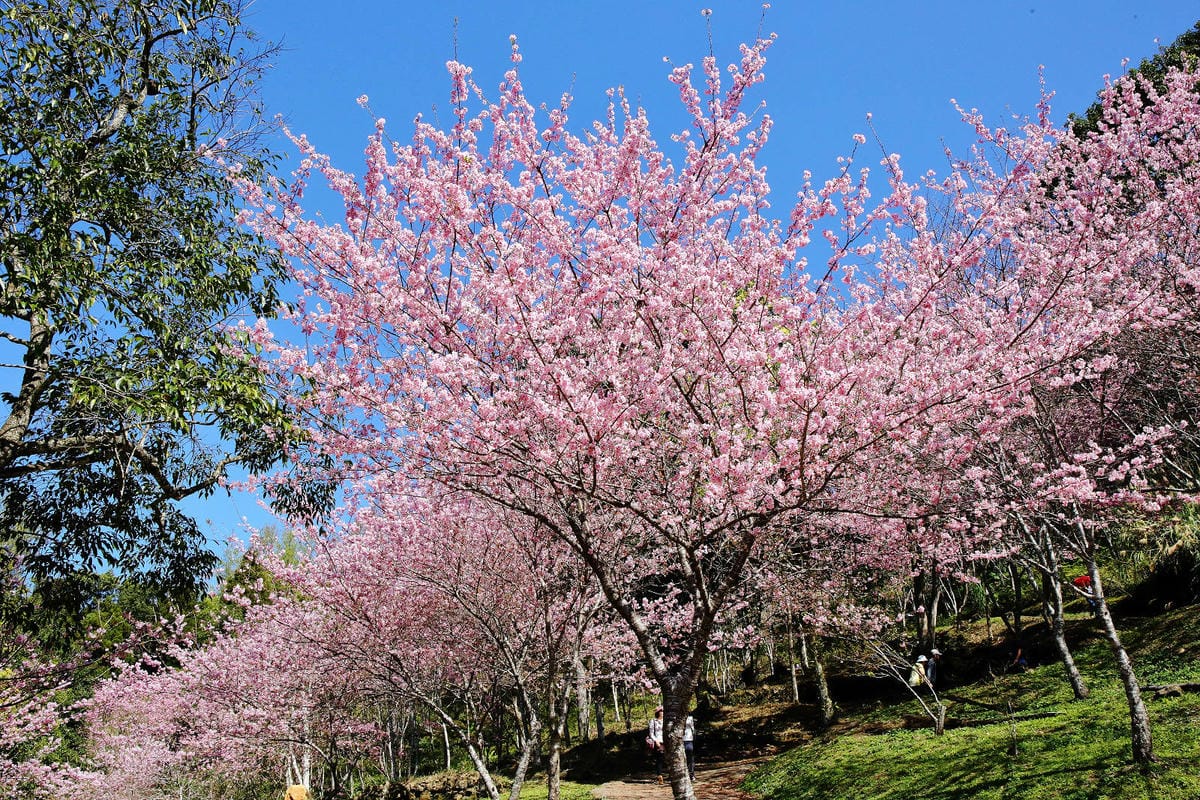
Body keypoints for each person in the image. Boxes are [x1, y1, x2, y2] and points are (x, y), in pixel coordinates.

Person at [647, 706, 664, 783]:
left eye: (663, 711)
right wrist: (656, 741)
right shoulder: (653, 721)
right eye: (661, 711)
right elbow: (651, 733)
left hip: (667, 741)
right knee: (659, 758)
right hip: (658, 741)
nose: (662, 712)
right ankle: (659, 775)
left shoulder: (666, 721)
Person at [682, 712, 696, 782]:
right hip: (680, 740)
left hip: (689, 739)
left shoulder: (690, 718)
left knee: (690, 757)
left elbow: (692, 728)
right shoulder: (677, 719)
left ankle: (691, 774)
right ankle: (683, 775)